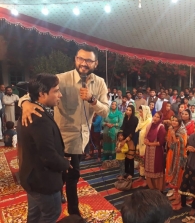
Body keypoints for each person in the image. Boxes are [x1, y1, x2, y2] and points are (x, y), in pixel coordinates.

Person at [19, 46, 109, 216]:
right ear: (75, 59)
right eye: (80, 59)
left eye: (88, 60)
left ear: (95, 63)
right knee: (60, 176)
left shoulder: (100, 83)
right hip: (60, 139)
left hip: (82, 139)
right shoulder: (61, 79)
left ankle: (71, 212)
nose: (84, 63)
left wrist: (92, 99)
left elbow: (105, 111)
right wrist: (25, 104)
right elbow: (31, 94)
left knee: (72, 177)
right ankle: (67, 207)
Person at [18, 73, 71, 223]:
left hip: (33, 177)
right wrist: (65, 163)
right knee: (52, 213)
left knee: (34, 216)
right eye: (56, 91)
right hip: (43, 181)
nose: (60, 95)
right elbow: (48, 157)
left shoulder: (32, 111)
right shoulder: (38, 117)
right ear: (42, 94)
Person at [165, 116, 187, 204]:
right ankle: (174, 194)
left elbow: (182, 144)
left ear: (179, 122)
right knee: (172, 174)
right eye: (173, 120)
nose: (174, 122)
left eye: (176, 121)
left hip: (179, 155)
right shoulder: (171, 129)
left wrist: (174, 135)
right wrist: (171, 135)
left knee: (178, 175)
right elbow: (169, 142)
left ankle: (178, 197)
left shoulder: (182, 132)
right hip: (171, 153)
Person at [144, 112, 166, 192]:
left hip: (157, 151)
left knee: (156, 168)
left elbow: (161, 142)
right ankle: (151, 187)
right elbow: (146, 136)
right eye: (155, 116)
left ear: (160, 119)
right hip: (149, 150)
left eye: (158, 117)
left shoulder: (161, 127)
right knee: (148, 168)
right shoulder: (150, 126)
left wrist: (150, 143)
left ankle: (158, 189)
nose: (155, 118)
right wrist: (145, 140)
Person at [134, 105, 152, 186]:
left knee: (146, 162)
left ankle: (146, 178)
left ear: (145, 112)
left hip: (146, 146)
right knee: (141, 161)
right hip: (140, 144)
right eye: (139, 112)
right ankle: (141, 175)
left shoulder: (149, 121)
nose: (139, 113)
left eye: (141, 112)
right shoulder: (140, 120)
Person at [121, 105, 139, 178]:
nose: (128, 111)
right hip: (125, 138)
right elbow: (123, 127)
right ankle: (126, 172)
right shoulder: (125, 118)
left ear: (133, 111)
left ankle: (131, 173)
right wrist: (121, 137)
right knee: (125, 156)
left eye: (130, 110)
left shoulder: (135, 119)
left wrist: (126, 139)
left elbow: (133, 130)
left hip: (131, 139)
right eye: (127, 110)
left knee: (130, 156)